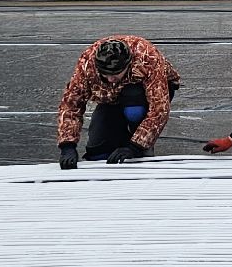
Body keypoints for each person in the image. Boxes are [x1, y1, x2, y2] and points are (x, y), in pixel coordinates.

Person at [56, 35, 180, 169]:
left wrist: (135, 146)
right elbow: (71, 104)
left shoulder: (147, 58)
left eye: (115, 74)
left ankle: (142, 146)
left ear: (128, 65)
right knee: (98, 149)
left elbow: (159, 109)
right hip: (110, 98)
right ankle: (119, 140)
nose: (110, 79)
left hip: (142, 94)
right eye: (105, 74)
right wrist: (67, 145)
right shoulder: (86, 64)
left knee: (134, 110)